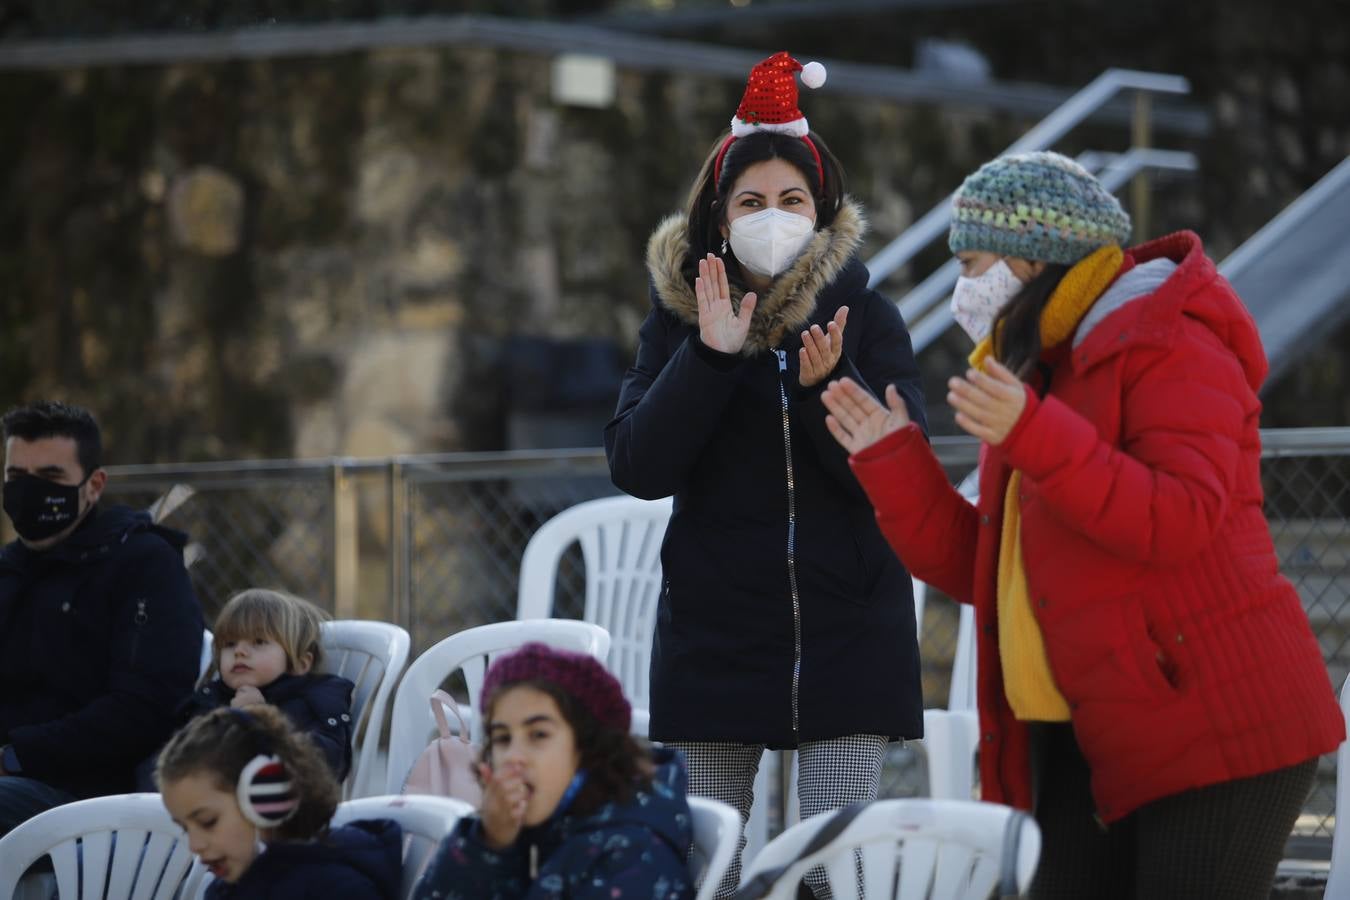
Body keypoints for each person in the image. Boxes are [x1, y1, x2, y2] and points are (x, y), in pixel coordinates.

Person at [820, 150, 1345, 899]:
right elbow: (988, 566)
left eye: (972, 264)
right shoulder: (1042, 369)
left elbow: (1179, 518)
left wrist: (1034, 434)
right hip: (1091, 728)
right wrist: (894, 462)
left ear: (1030, 262)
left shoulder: (1172, 339)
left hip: (1217, 728)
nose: (963, 291)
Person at [603, 51, 927, 898]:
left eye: (792, 201)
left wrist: (829, 391)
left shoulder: (870, 315)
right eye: (750, 202)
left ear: (821, 213)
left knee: (836, 871)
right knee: (709, 866)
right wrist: (710, 360)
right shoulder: (676, 323)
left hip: (850, 638)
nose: (771, 218)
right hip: (716, 640)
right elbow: (637, 464)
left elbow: (901, 477)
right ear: (718, 215)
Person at [0, 400, 204, 837]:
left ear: (93, 486)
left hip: (88, 798)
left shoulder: (143, 564)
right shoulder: (9, 570)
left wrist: (15, 756)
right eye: (16, 477)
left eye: (51, 477)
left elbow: (145, 707)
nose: (30, 492)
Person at [412, 642, 693, 900]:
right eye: (502, 738)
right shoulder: (523, 826)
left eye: (538, 735)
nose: (513, 757)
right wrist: (487, 845)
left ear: (590, 746)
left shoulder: (633, 854)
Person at [158, 705, 401, 897]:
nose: (194, 845)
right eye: (184, 828)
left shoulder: (337, 888)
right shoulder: (226, 888)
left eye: (208, 821)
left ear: (268, 792)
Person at [184, 589, 354, 782]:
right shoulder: (212, 697)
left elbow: (326, 765)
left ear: (300, 663)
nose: (239, 651)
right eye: (230, 643)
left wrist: (258, 718)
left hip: (283, 807)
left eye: (258, 641)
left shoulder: (314, 700)